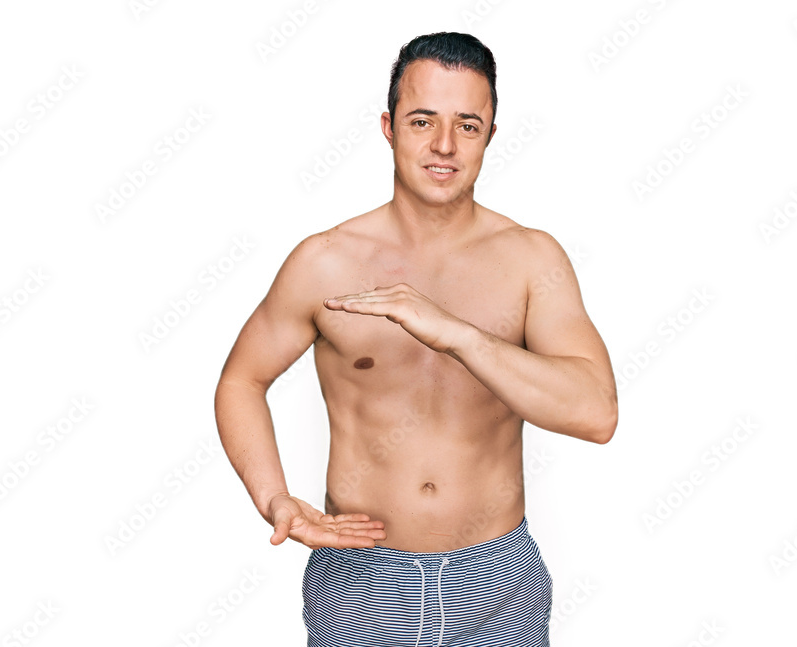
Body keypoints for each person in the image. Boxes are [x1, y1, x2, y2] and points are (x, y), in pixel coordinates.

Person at [214, 31, 617, 647]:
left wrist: (458, 335)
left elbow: (596, 413)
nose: (445, 146)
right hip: (361, 575)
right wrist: (274, 498)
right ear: (389, 125)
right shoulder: (324, 262)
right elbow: (241, 379)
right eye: (424, 120)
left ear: (491, 134)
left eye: (468, 125)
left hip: (497, 576)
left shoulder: (533, 260)